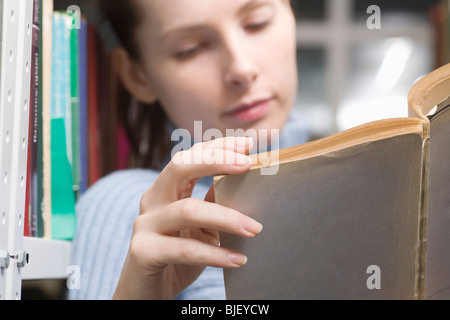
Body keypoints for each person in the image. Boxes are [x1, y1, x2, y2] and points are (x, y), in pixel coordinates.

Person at [67, 0, 309, 300]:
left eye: (257, 23)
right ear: (138, 76)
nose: (242, 69)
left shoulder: (358, 180)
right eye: (190, 48)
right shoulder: (126, 209)